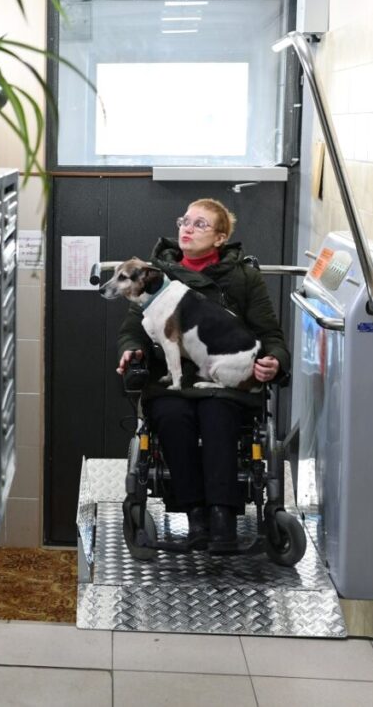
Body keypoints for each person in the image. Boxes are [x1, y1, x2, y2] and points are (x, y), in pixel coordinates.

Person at [116, 198, 291, 553]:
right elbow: (133, 330)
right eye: (184, 221)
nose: (187, 229)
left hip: (225, 380)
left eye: (199, 224)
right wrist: (131, 349)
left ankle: (223, 516)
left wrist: (274, 360)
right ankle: (195, 514)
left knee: (217, 415)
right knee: (172, 416)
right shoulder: (153, 274)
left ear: (220, 238)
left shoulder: (243, 278)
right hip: (173, 383)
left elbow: (270, 334)